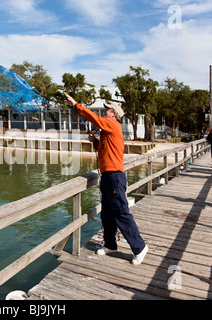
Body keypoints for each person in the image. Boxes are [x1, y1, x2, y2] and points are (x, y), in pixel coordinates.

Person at [63, 92, 148, 265]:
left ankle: (140, 247)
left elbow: (94, 118)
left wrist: (76, 104)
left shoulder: (112, 124)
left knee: (121, 212)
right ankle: (110, 244)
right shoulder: (108, 131)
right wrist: (95, 142)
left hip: (115, 176)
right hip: (108, 176)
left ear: (114, 114)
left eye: (107, 110)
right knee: (108, 213)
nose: (105, 112)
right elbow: (107, 149)